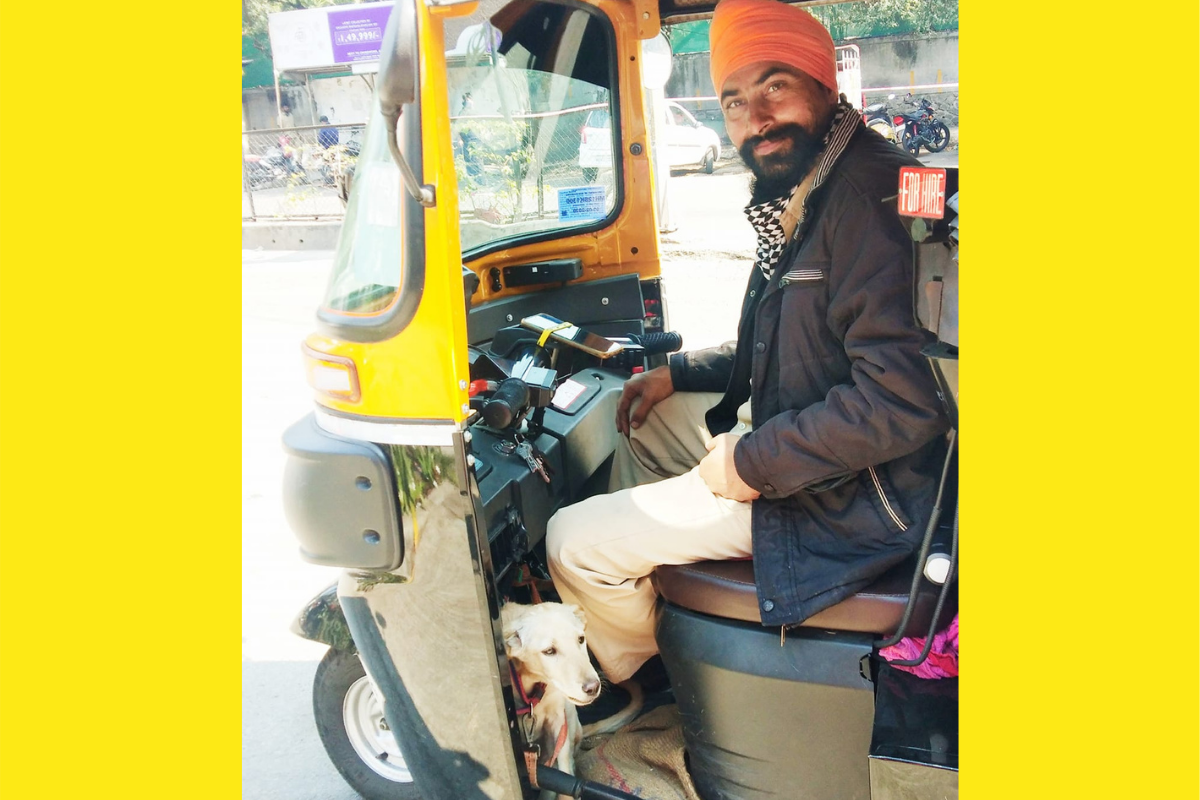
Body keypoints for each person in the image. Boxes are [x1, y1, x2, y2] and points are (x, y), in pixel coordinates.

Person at [545, 0, 950, 691]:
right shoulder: (822, 178)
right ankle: (658, 585)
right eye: (734, 101)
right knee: (644, 422)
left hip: (858, 500)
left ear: (826, 86)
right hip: (825, 450)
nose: (754, 118)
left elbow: (903, 400)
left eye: (775, 87)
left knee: (570, 542)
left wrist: (754, 462)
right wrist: (678, 373)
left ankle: (646, 687)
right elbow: (791, 335)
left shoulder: (866, 199)